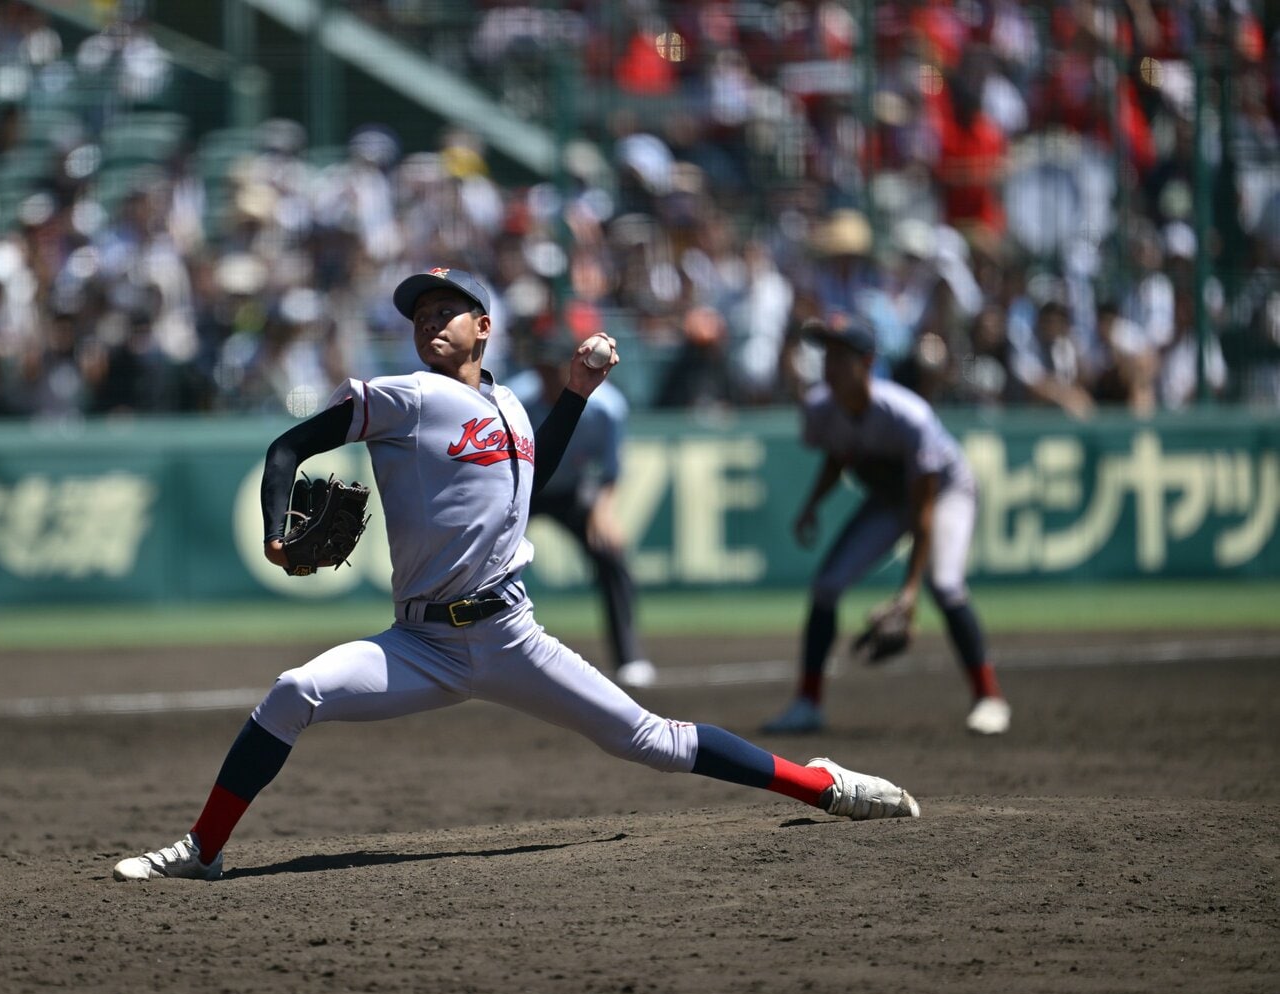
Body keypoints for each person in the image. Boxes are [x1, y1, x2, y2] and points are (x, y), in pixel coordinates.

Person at [113, 269, 920, 881]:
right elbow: (288, 447)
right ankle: (203, 849)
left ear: (483, 327)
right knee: (295, 690)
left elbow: (537, 475)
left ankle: (820, 786)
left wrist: (577, 393)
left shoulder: (511, 409)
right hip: (419, 645)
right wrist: (275, 531)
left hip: (509, 635)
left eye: (445, 310)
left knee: (653, 740)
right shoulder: (404, 397)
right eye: (419, 315)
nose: (428, 322)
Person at [761, 314, 1010, 738]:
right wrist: (812, 505)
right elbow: (838, 455)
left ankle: (990, 698)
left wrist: (909, 593)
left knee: (944, 584)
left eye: (841, 357)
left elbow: (923, 511)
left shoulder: (907, 416)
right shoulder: (820, 408)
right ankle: (807, 704)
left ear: (867, 363)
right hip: (891, 500)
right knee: (826, 587)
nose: (830, 366)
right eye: (827, 355)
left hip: (945, 493)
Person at [507, 337, 656, 688]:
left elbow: (610, 469)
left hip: (573, 490)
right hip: (523, 489)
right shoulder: (515, 398)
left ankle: (629, 657)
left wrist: (603, 512)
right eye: (540, 369)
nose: (545, 377)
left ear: (570, 367)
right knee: (485, 558)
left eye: (552, 369)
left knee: (609, 554)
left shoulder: (606, 406)